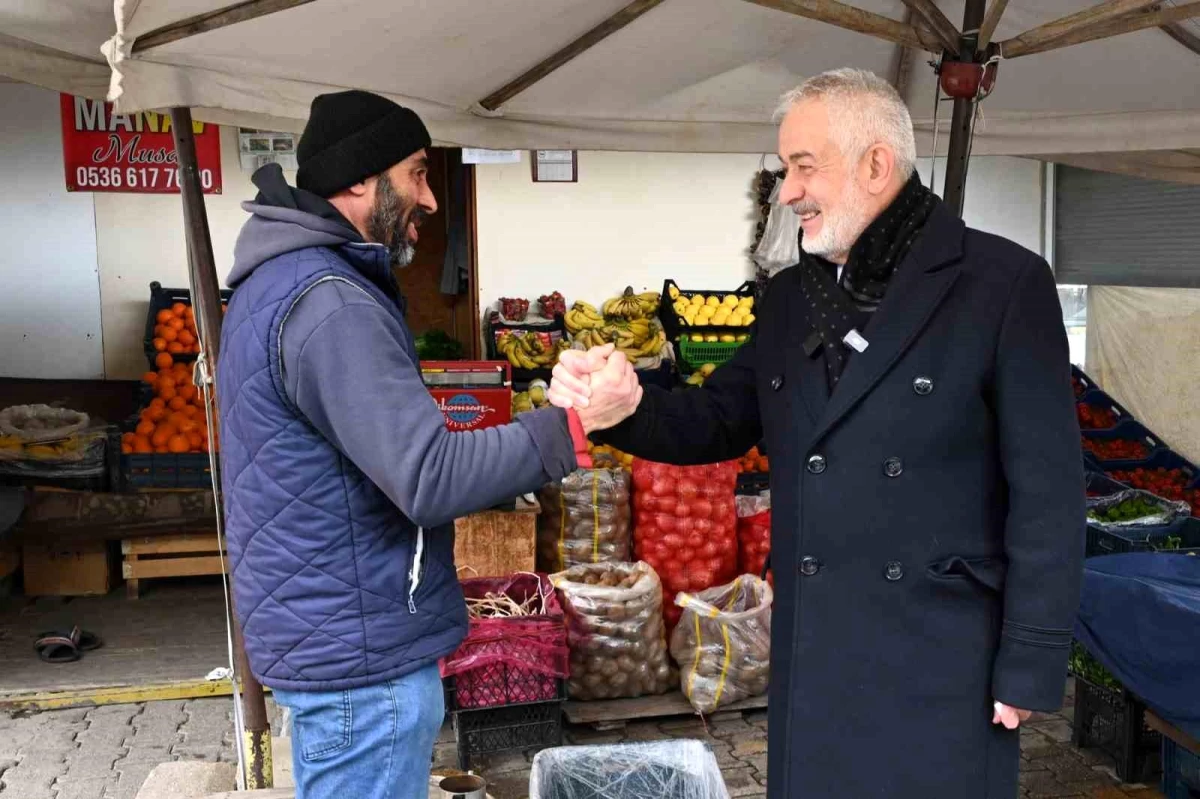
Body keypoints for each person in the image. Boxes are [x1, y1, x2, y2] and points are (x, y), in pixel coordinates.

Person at [550, 68, 1085, 799]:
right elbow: (717, 419)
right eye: (784, 169)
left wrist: (1029, 660)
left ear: (875, 164)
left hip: (942, 658)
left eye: (804, 167)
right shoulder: (791, 298)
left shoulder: (1002, 284)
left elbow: (1048, 494)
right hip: (816, 656)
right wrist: (626, 404)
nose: (788, 190)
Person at [215, 90, 639, 799]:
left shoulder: (280, 281)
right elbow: (429, 476)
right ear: (359, 179)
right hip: (363, 660)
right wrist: (573, 423)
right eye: (416, 173)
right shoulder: (331, 303)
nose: (431, 199)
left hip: (336, 632)